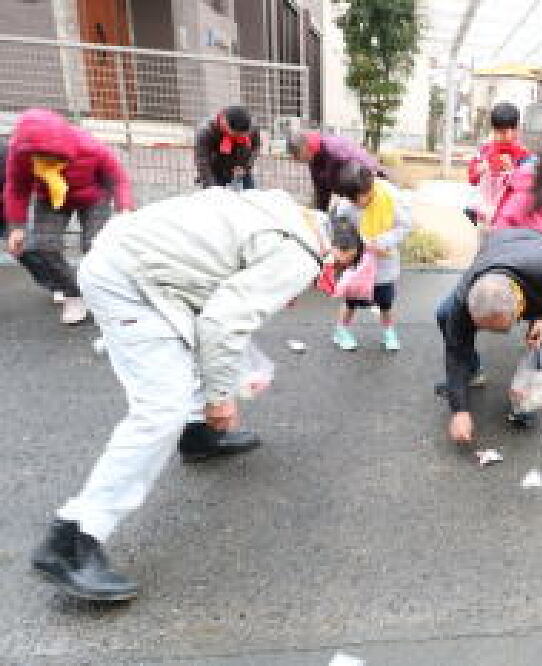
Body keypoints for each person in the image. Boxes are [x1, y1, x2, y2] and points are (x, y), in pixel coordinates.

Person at [30, 187, 361, 601]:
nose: (320, 283)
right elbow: (223, 323)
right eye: (332, 271)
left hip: (138, 262)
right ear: (334, 251)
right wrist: (220, 397)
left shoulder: (285, 208)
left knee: (191, 348)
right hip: (132, 282)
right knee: (160, 409)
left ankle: (196, 435)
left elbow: (214, 297)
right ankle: (71, 541)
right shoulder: (301, 255)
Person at [436, 228, 542, 441]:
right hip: (497, 249)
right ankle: (472, 371)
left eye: (505, 326)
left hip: (541, 258)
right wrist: (459, 411)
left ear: (520, 307)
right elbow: (455, 351)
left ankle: (531, 395)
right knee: (444, 314)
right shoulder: (465, 294)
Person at [4, 108, 133, 324]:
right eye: (37, 157)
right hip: (51, 197)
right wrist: (16, 226)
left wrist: (125, 207)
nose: (43, 161)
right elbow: (17, 188)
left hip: (94, 196)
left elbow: (117, 178)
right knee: (43, 246)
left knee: (95, 245)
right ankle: (73, 292)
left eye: (50, 157)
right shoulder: (20, 155)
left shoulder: (90, 147)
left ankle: (107, 291)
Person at [330, 161, 412, 352]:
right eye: (350, 199)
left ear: (369, 188)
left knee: (385, 302)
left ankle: (389, 333)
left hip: (383, 261)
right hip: (358, 264)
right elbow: (341, 229)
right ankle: (340, 331)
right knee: (351, 300)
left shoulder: (392, 198)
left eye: (357, 199)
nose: (354, 203)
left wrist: (382, 241)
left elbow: (405, 226)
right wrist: (352, 245)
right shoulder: (347, 204)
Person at [0, 136, 61, 297]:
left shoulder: (5, 152)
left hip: (8, 210)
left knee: (26, 250)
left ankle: (59, 285)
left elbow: (15, 187)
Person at [464, 102, 533, 226]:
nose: (505, 136)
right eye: (500, 132)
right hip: (486, 213)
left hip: (511, 215)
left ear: (517, 129)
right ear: (493, 130)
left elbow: (526, 187)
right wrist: (481, 169)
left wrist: (512, 171)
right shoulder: (485, 151)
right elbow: (472, 179)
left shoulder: (524, 155)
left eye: (509, 131)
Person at [287, 130, 383, 212]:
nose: (296, 159)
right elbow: (322, 191)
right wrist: (320, 216)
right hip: (356, 197)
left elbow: (362, 168)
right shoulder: (313, 159)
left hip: (371, 185)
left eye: (296, 154)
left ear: (305, 147)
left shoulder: (333, 149)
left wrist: (365, 191)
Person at [194, 105, 260, 190]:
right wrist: (212, 187)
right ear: (224, 123)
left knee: (250, 197)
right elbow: (202, 161)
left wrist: (246, 167)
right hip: (215, 172)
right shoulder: (206, 131)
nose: (241, 137)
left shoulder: (251, 128)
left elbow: (256, 147)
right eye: (237, 135)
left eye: (243, 135)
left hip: (242, 170)